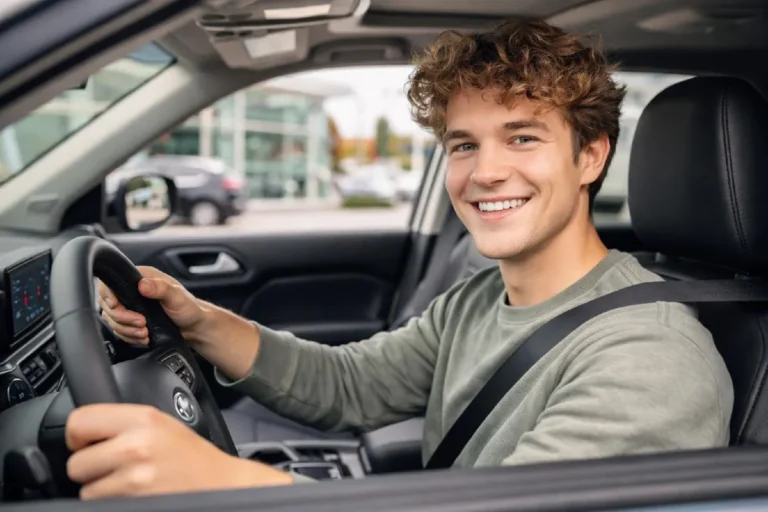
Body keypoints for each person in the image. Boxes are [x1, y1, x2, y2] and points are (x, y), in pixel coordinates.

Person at [67, 19, 733, 500]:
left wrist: (226, 482)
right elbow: (352, 385)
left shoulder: (649, 355)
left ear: (591, 156)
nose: (485, 173)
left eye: (522, 137)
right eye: (463, 145)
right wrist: (200, 322)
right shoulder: (479, 298)